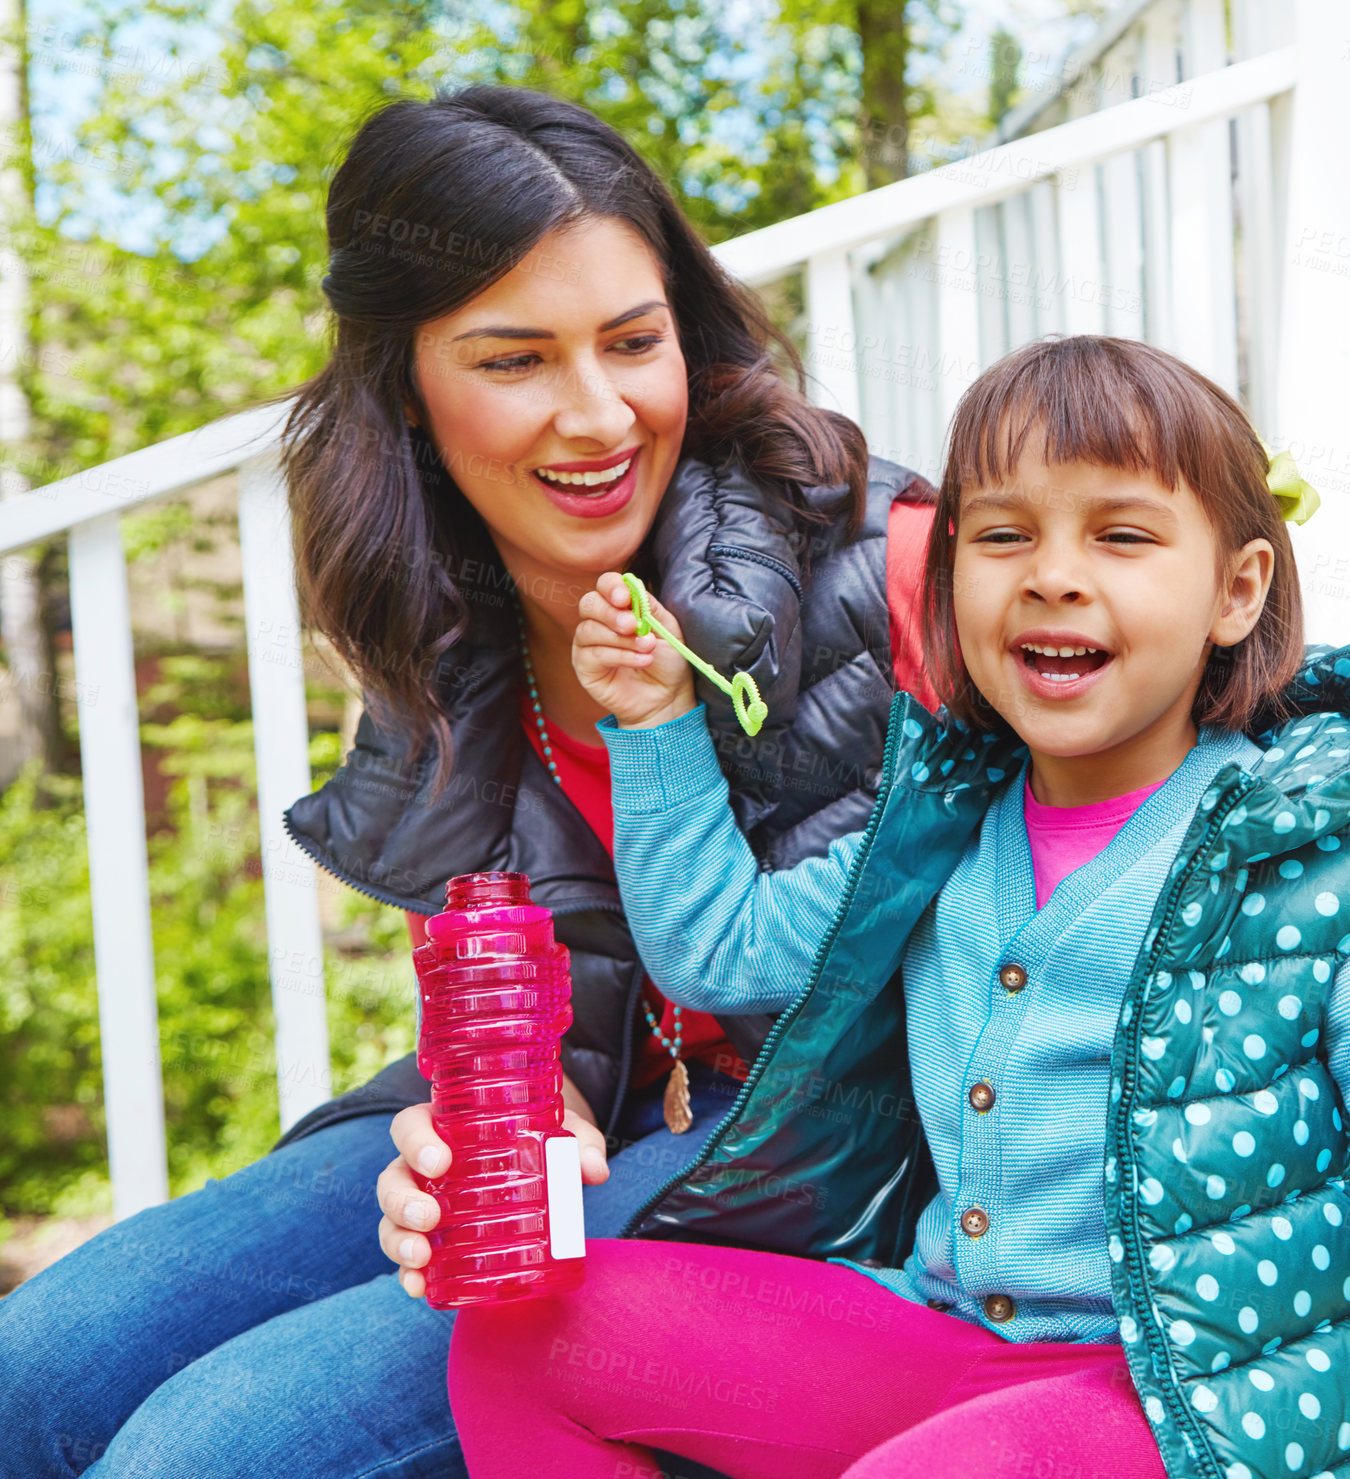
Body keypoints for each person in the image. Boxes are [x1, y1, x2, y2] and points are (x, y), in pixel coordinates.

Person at [0, 84, 939, 1478]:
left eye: (633, 340)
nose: (597, 412)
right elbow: (503, 977)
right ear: (408, 385)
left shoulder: (899, 559)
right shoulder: (431, 612)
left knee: (211, 1448)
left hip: (833, 1129)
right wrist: (479, 1110)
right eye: (514, 358)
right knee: (42, 1363)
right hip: (603, 1098)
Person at [448, 335, 1350, 1479]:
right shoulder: (941, 826)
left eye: (1120, 536)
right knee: (528, 1338)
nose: (1052, 575)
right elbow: (716, 953)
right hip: (942, 1337)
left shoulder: (1302, 844)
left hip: (1175, 1397)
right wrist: (655, 720)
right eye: (1005, 534)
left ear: (1237, 590)